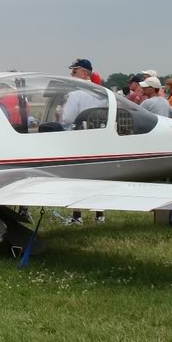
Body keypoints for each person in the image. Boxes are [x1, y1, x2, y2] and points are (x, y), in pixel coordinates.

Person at [64, 58, 106, 224]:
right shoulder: (101, 91)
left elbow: (67, 117)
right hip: (98, 138)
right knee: (98, 178)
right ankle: (99, 215)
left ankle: (77, 216)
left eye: (74, 71)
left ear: (83, 72)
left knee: (77, 179)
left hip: (79, 138)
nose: (71, 74)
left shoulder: (76, 93)